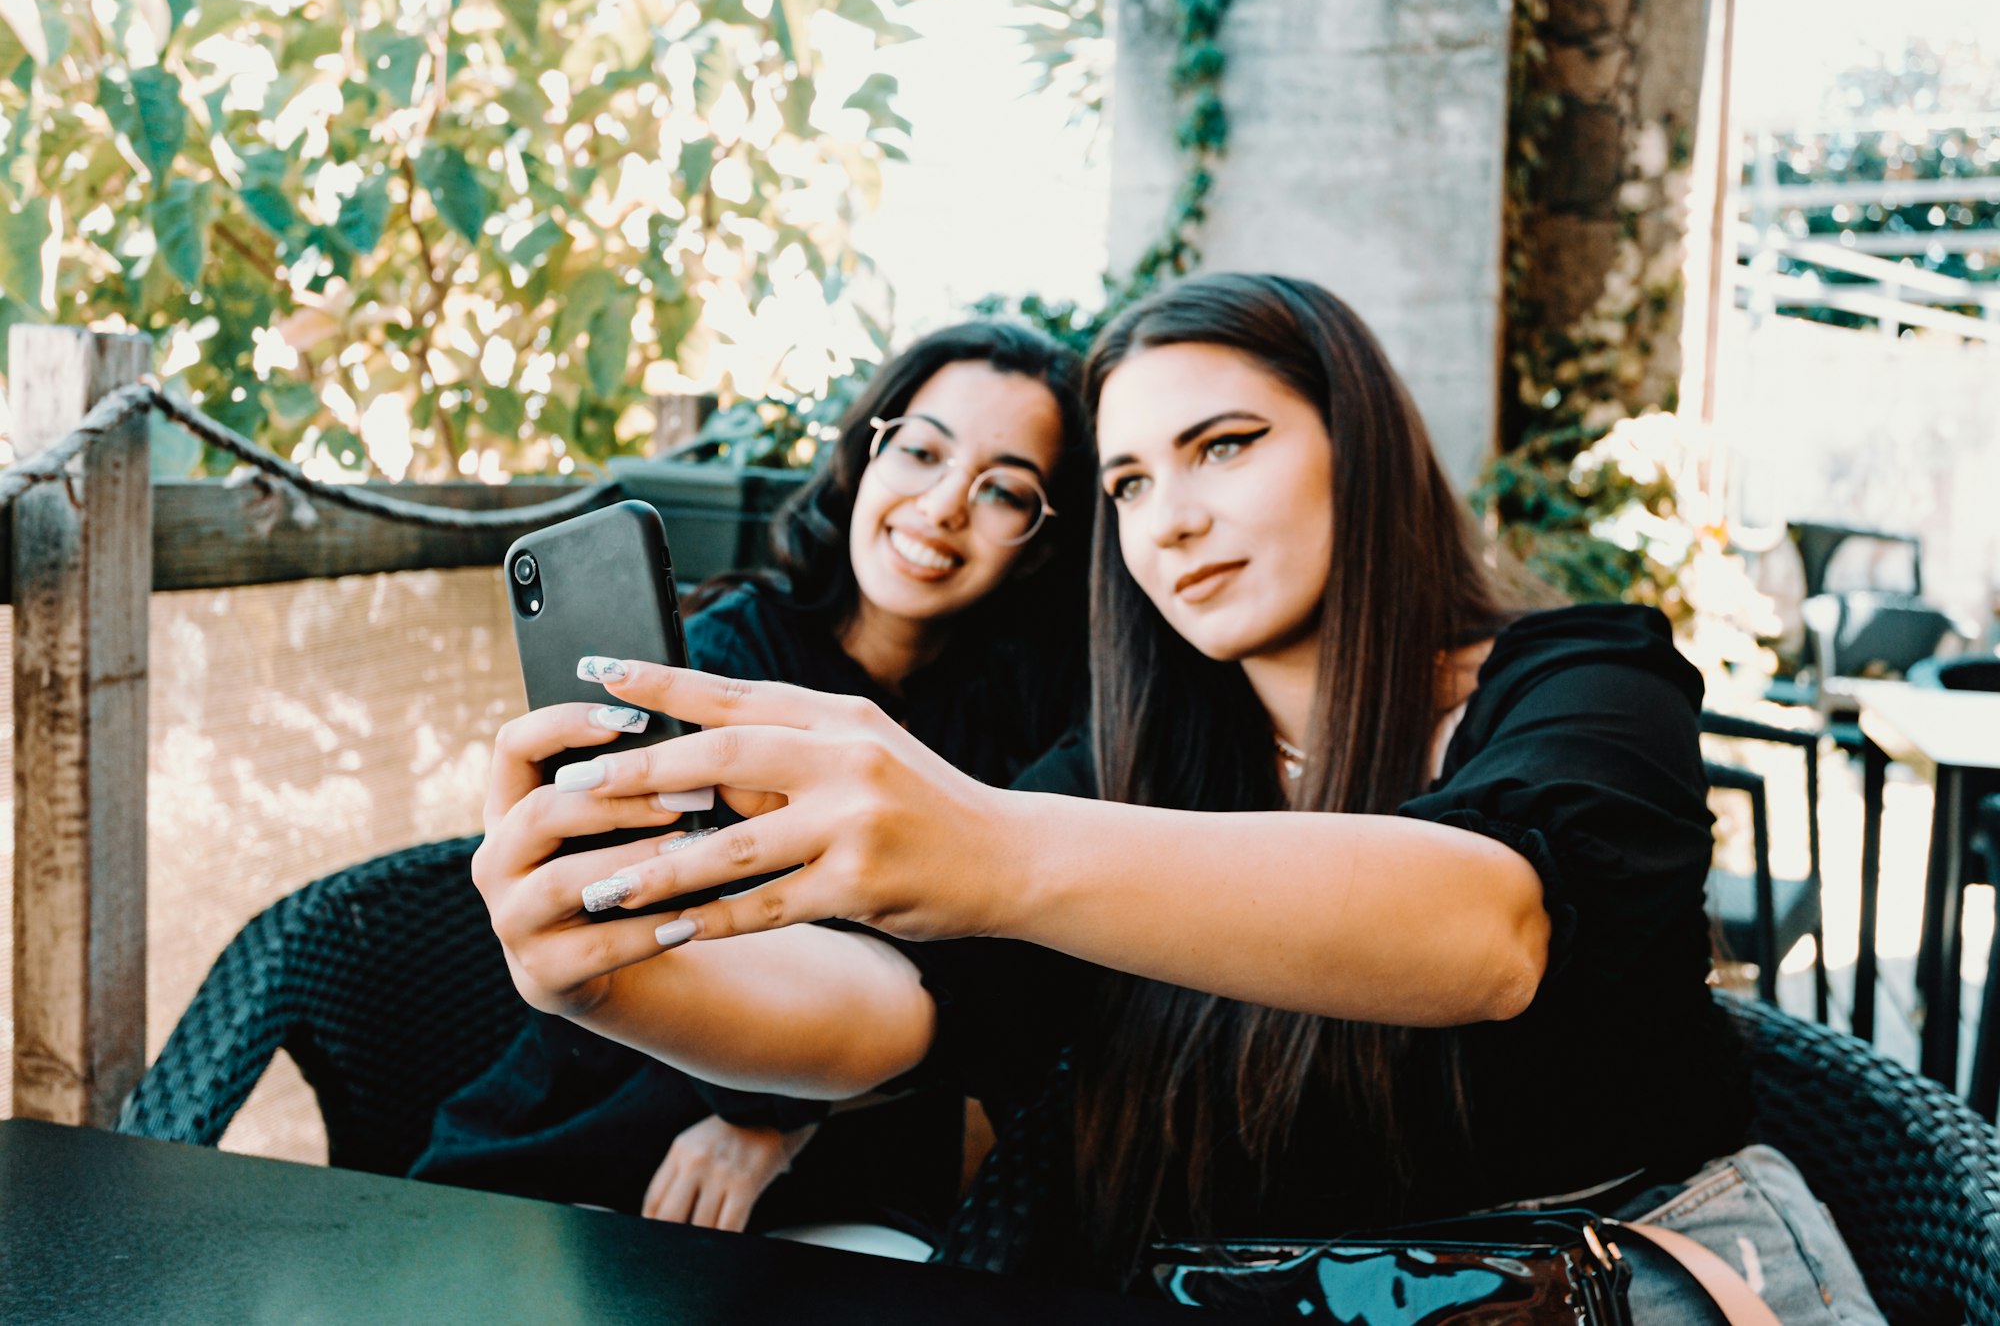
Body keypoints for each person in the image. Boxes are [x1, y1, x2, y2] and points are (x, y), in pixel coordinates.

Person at [465, 275, 1882, 1320]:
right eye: (1132, 484)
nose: (1175, 519)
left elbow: (1491, 928)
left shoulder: (1579, 675)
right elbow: (892, 1012)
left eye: (1224, 447)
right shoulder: (1129, 773)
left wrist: (983, 843)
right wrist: (608, 971)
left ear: (1359, 446)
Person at [411, 319, 1093, 1237]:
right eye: (922, 452)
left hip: (840, 1170)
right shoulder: (727, 657)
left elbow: (1005, 994)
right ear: (866, 454)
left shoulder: (1012, 718)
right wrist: (758, 1111)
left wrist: (781, 1124)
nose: (941, 506)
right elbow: (658, 923)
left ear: (1041, 541)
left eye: (1004, 489)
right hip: (600, 1126)